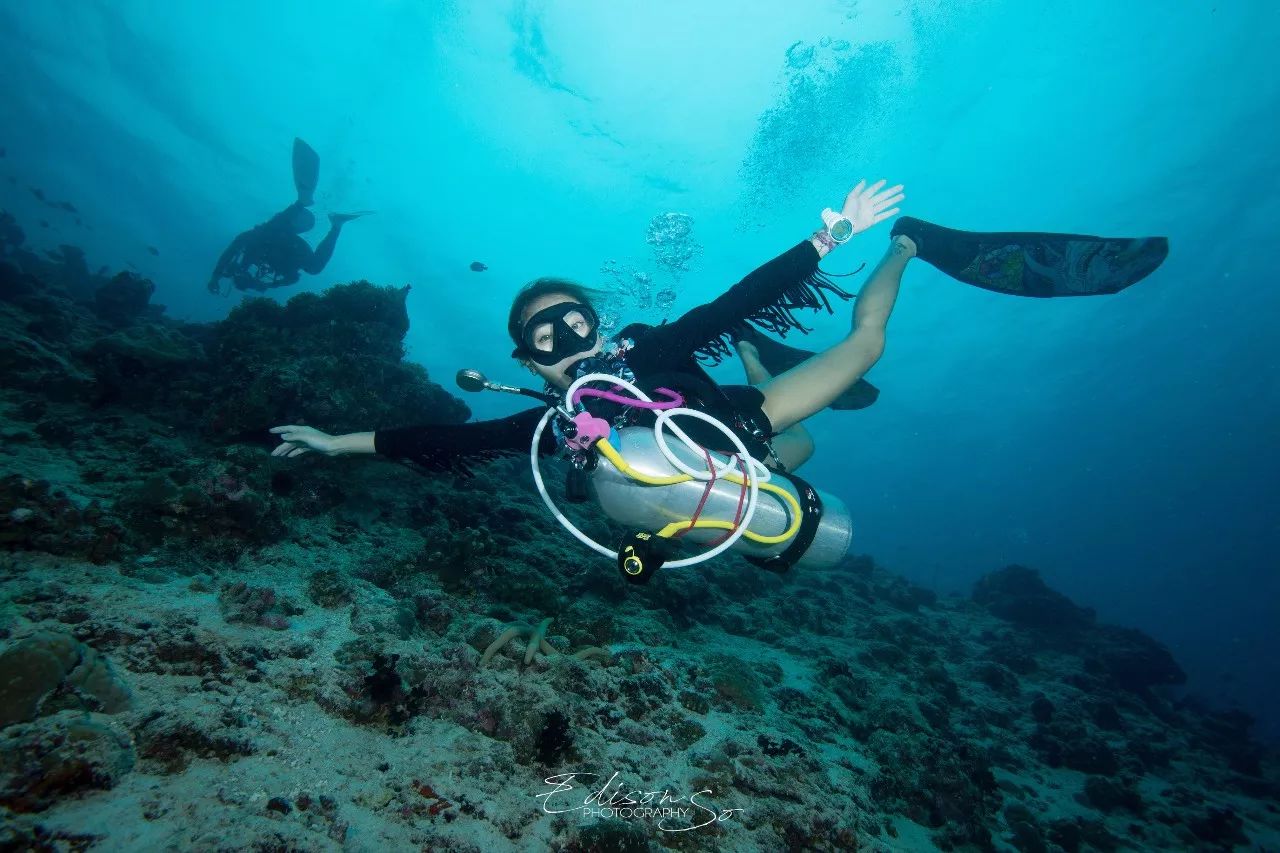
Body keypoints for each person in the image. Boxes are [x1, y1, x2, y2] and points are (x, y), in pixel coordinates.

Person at [268, 178, 1167, 474]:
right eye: (544, 340)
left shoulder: (650, 349)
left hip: (748, 424)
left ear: (601, 321)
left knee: (861, 353)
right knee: (806, 441)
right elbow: (436, 440)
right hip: (709, 478)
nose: (567, 344)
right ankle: (755, 363)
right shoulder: (548, 422)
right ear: (526, 363)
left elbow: (735, 291)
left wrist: (828, 237)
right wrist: (333, 438)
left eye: (574, 322)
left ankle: (908, 247)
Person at [207, 204, 363, 294]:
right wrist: (270, 285)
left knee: (271, 230)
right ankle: (336, 224)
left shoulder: (250, 241)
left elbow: (230, 253)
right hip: (290, 246)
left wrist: (215, 277)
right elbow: (293, 277)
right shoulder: (267, 267)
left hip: (277, 236)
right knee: (314, 268)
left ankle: (300, 205)